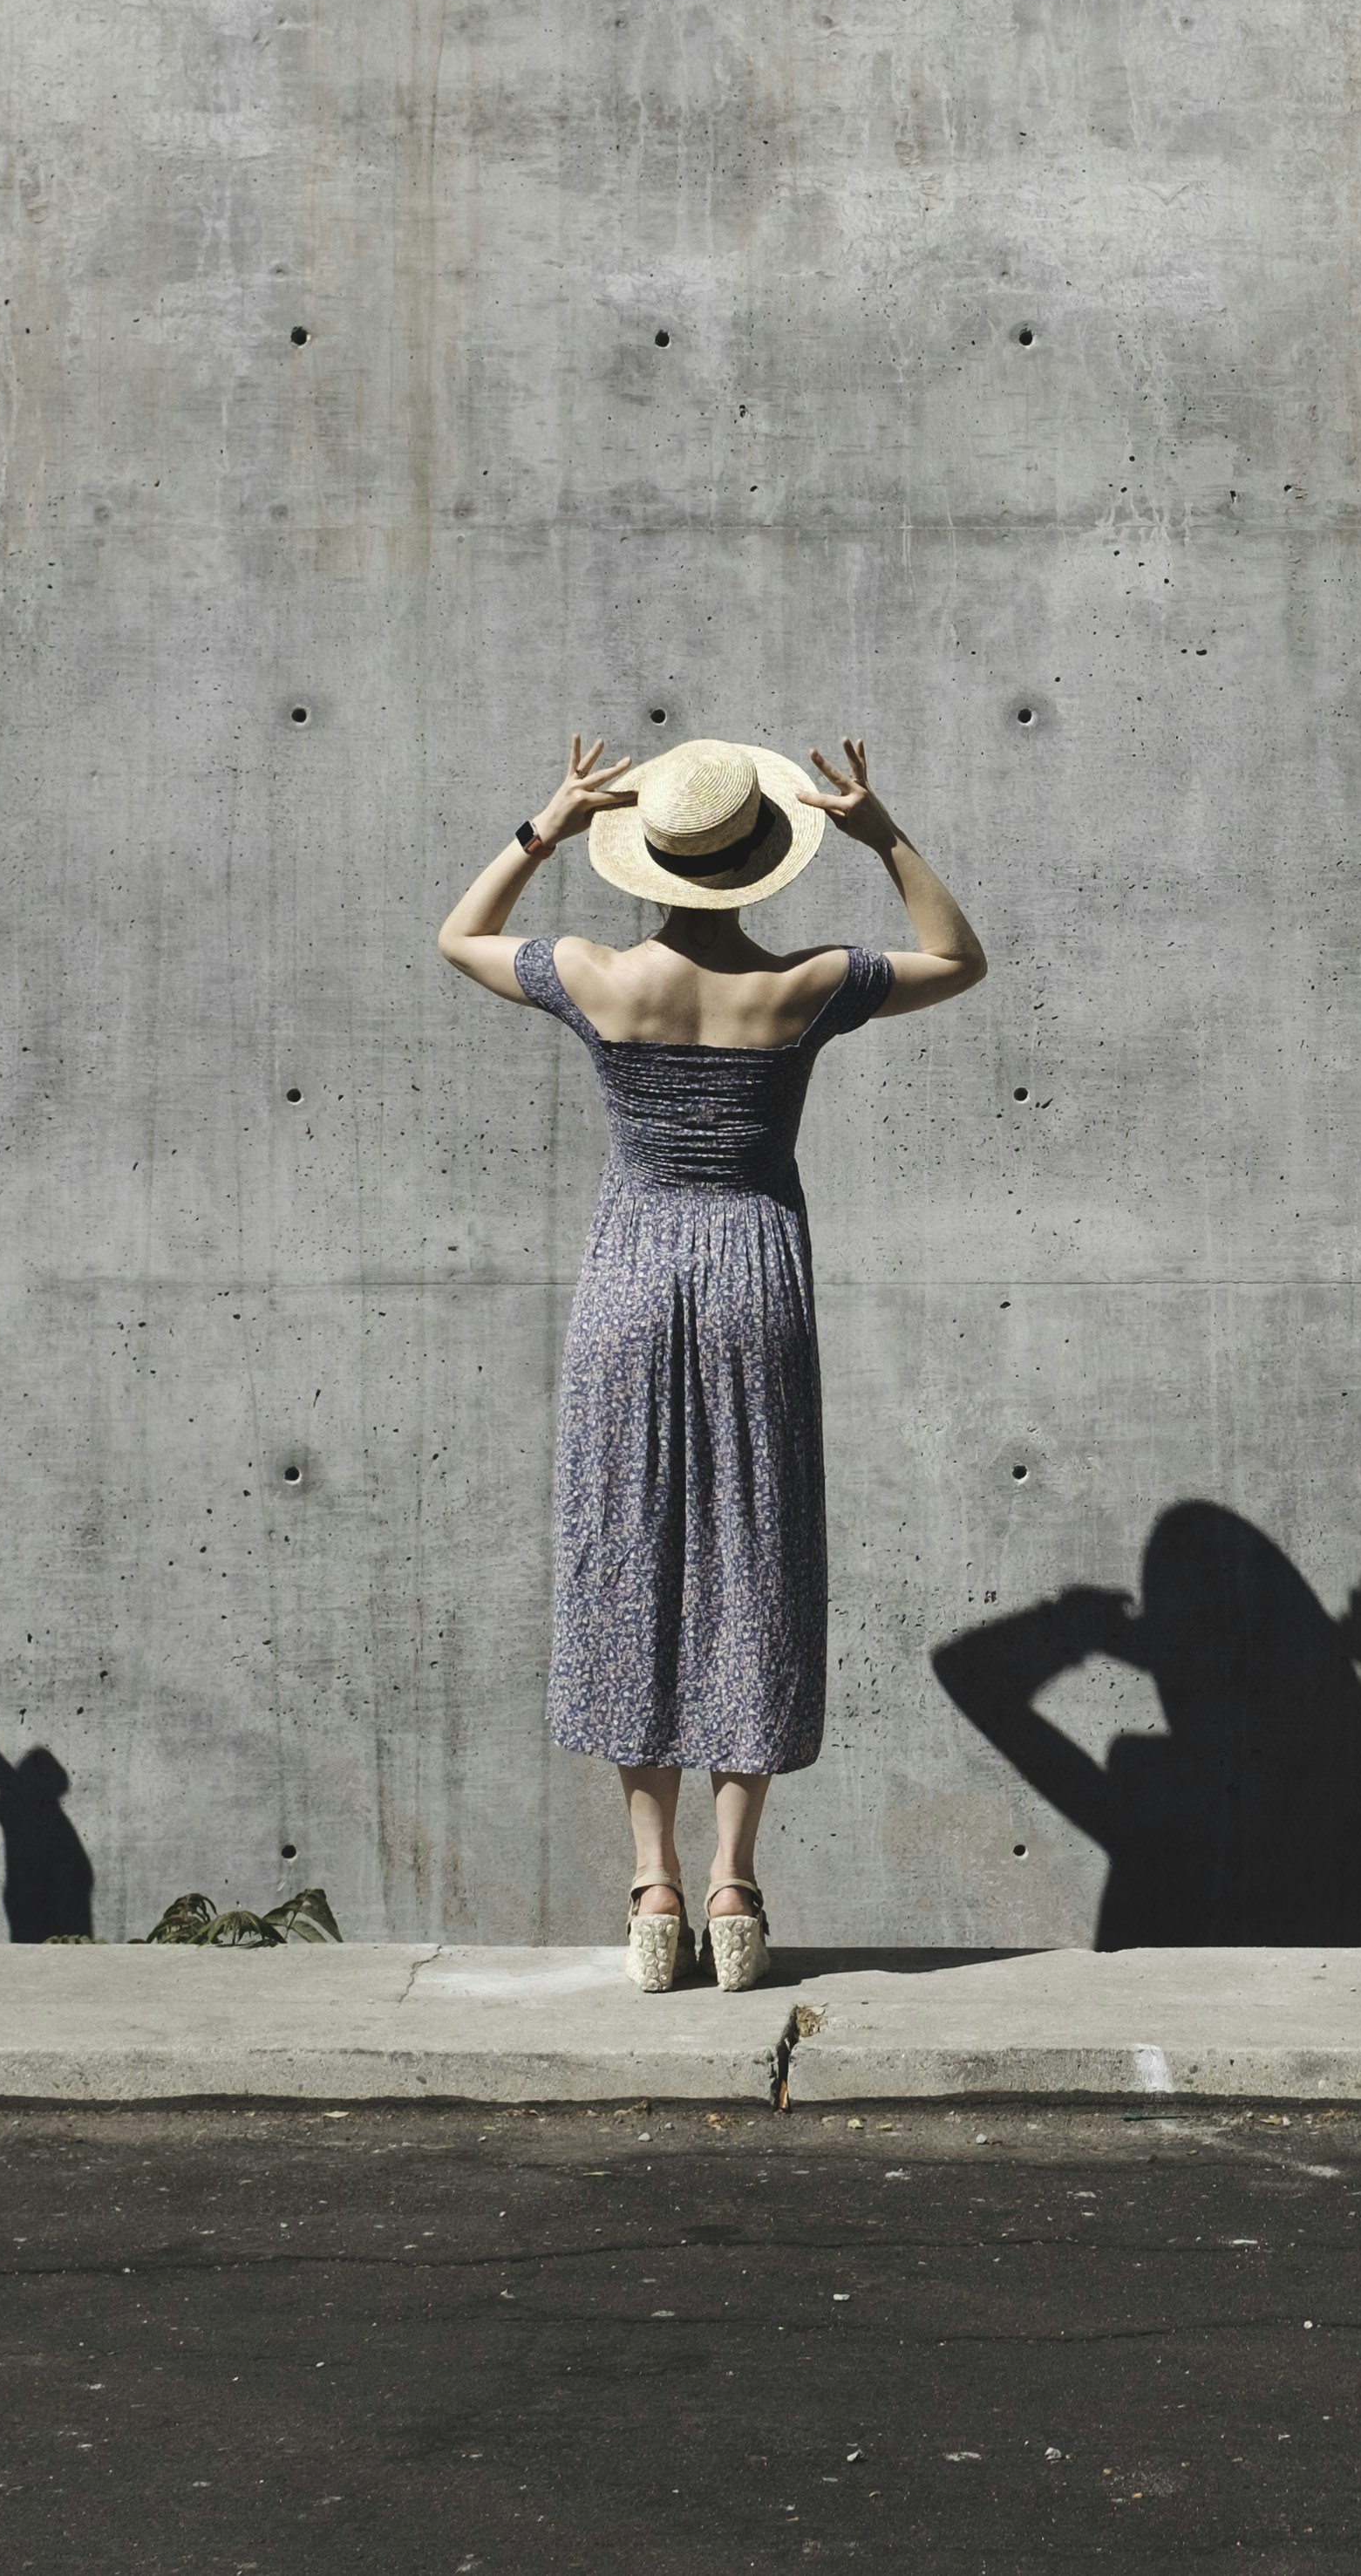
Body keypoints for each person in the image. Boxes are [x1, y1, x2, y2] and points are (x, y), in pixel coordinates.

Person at [437, 732, 985, 1990]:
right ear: (760, 867)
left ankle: (653, 1887)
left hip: (632, 1277)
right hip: (754, 1277)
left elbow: (458, 935)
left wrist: (546, 821)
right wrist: (881, 832)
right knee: (753, 1553)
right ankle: (735, 1886)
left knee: (628, 1554)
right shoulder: (802, 986)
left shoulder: (592, 974)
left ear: (648, 864)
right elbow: (959, 956)